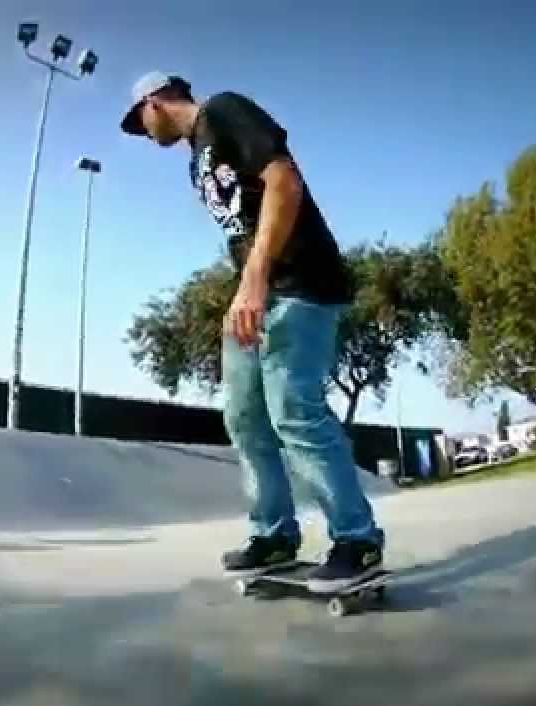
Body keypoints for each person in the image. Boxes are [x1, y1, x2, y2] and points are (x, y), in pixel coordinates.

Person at [120, 72, 385, 591]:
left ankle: (358, 539)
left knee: (295, 410)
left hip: (300, 282)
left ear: (154, 103)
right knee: (244, 416)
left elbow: (284, 180)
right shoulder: (196, 157)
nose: (144, 134)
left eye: (140, 122)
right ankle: (274, 534)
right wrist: (244, 290)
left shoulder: (223, 111)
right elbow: (243, 225)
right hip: (257, 293)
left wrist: (258, 276)